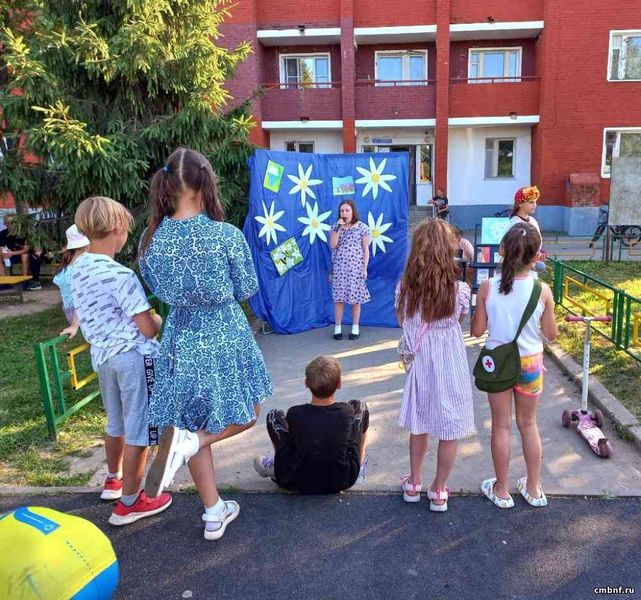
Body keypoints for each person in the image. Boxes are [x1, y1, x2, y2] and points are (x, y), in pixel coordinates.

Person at [138, 147, 272, 541]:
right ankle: (190, 444)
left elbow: (154, 284)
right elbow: (247, 287)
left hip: (181, 335)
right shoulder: (225, 235)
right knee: (246, 412)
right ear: (205, 182)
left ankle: (214, 511)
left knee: (194, 421)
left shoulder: (151, 239)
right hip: (223, 333)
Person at [71, 196, 172, 525]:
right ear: (117, 228)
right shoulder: (121, 275)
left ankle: (113, 480)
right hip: (132, 358)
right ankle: (129, 503)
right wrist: (157, 319)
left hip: (102, 358)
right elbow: (147, 328)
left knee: (115, 423)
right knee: (140, 428)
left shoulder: (78, 268)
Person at [471, 223, 558, 509]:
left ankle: (502, 489)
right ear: (536, 257)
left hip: (498, 362)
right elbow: (551, 334)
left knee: (501, 425)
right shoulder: (542, 290)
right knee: (528, 423)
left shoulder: (488, 287)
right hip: (531, 363)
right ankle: (533, 488)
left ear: (502, 250)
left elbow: (477, 331)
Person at [396, 219, 475, 512]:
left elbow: (402, 321)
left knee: (420, 421)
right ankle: (439, 490)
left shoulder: (405, 288)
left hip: (421, 362)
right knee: (449, 425)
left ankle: (414, 482)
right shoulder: (459, 290)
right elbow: (460, 319)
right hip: (450, 360)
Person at [253, 355, 369, 493]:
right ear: (339, 384)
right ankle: (359, 467)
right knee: (360, 407)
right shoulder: (347, 411)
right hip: (343, 479)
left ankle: (280, 467)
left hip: (295, 480)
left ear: (306, 383)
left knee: (274, 416)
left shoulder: (295, 413)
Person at [329, 199, 370, 341]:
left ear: (353, 212)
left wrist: (364, 268)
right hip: (340, 268)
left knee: (356, 299)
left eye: (347, 210)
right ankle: (337, 328)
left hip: (356, 268)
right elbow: (333, 245)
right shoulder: (336, 227)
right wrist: (337, 228)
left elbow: (366, 249)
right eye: (342, 211)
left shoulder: (362, 227)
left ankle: (355, 327)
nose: (344, 213)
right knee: (339, 298)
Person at [53, 225, 90, 338]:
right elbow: (82, 300)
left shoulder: (64, 270)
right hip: (81, 315)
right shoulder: (83, 268)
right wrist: (74, 324)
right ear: (87, 245)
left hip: (70, 313)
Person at [0, 214, 47, 290]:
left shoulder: (23, 233)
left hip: (22, 254)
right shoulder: (2, 234)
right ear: (5, 224)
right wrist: (3, 252)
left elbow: (26, 249)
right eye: (11, 223)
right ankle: (4, 282)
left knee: (25, 256)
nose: (13, 225)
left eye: (15, 223)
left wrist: (11, 253)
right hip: (10, 255)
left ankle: (25, 280)